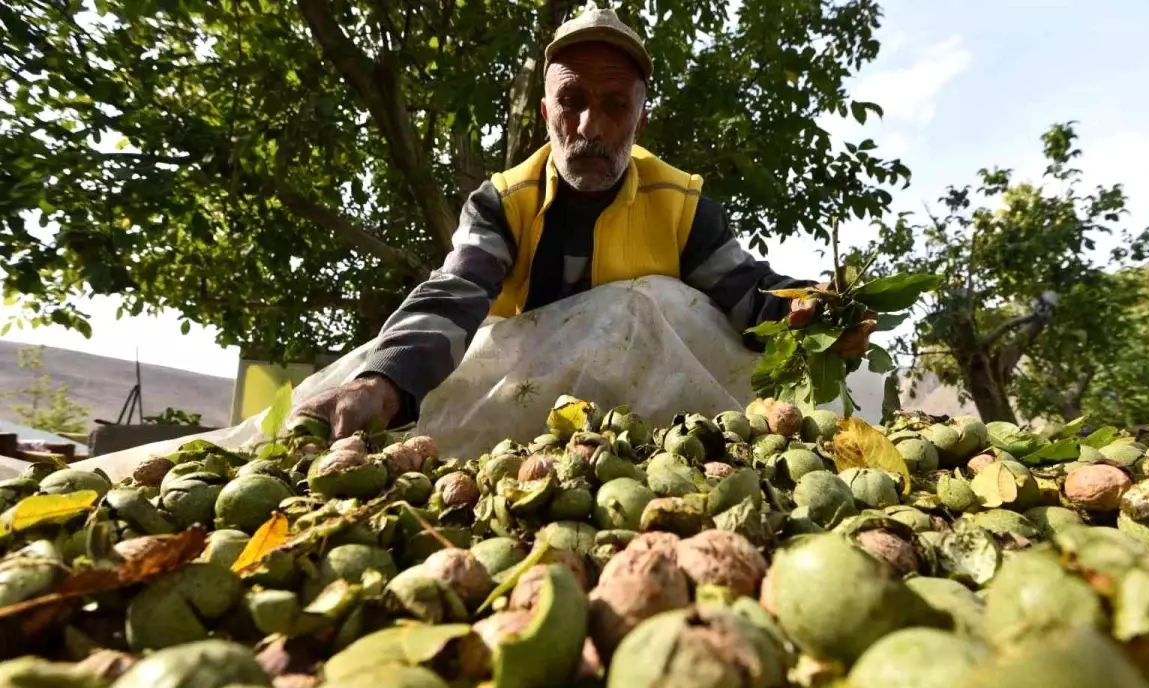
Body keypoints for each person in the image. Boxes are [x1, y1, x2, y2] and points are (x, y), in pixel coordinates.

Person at [291, 7, 817, 438]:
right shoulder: (502, 202)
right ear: (546, 113)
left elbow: (750, 296)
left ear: (641, 120)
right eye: (572, 102)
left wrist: (820, 307)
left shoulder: (680, 204)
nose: (590, 126)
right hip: (514, 413)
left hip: (649, 425)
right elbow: (456, 289)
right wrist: (384, 380)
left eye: (614, 106)